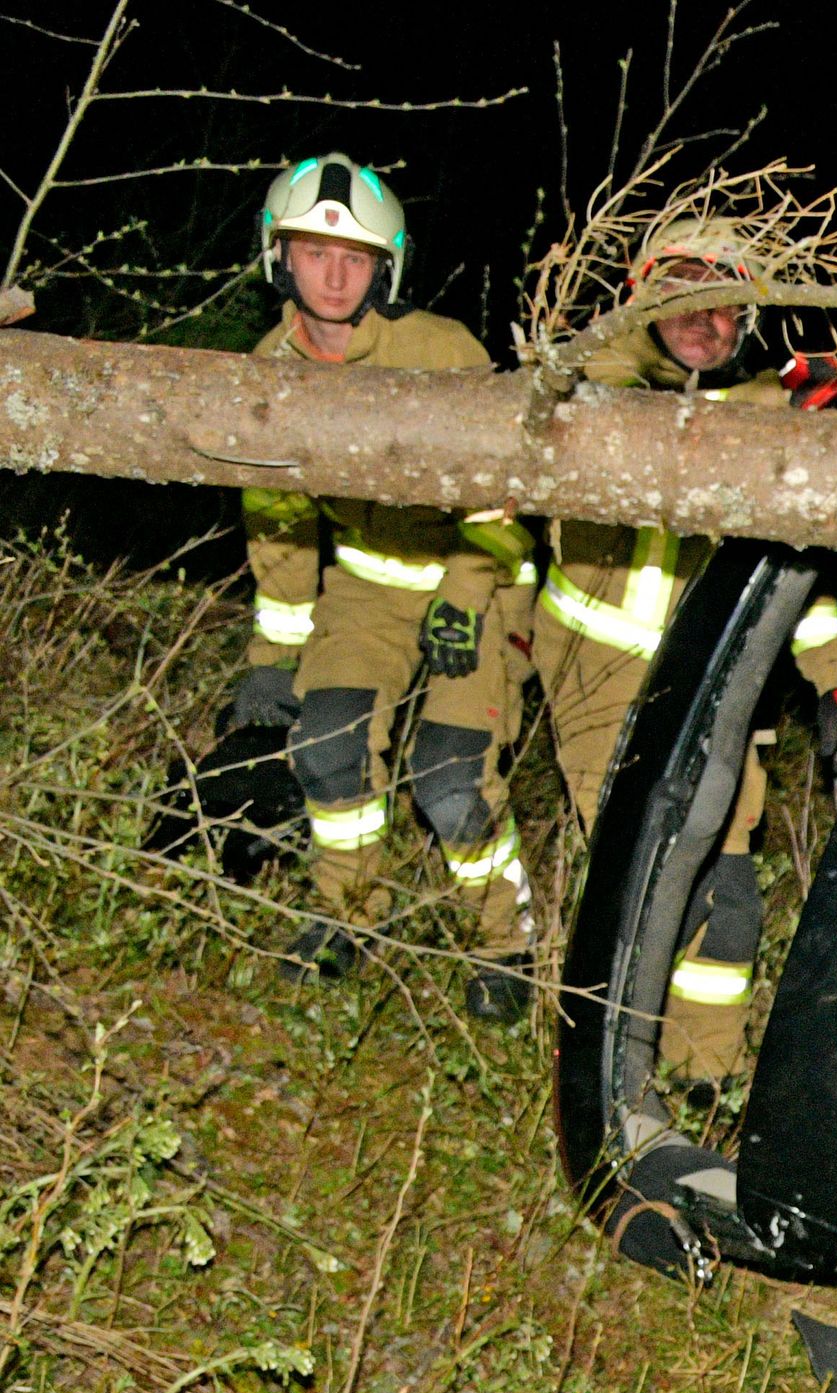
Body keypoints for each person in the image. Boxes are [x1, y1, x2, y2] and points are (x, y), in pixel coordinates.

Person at [536, 222, 837, 1109]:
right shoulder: (596, 383)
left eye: (725, 301)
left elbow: (795, 577)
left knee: (727, 899)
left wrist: (836, 680)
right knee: (652, 887)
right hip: (599, 684)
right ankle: (605, 1077)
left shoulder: (772, 419)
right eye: (683, 289)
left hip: (721, 692)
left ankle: (702, 1083)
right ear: (646, 297)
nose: (704, 315)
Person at [233, 155, 540, 1017]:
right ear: (279, 257)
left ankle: (505, 942)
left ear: (385, 267)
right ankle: (346, 917)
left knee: (450, 782)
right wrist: (272, 654)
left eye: (356, 258)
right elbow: (281, 526)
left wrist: (467, 590)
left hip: (474, 583)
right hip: (365, 589)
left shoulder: (442, 350)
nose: (334, 275)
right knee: (325, 748)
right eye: (314, 252)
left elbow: (507, 497)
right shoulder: (267, 371)